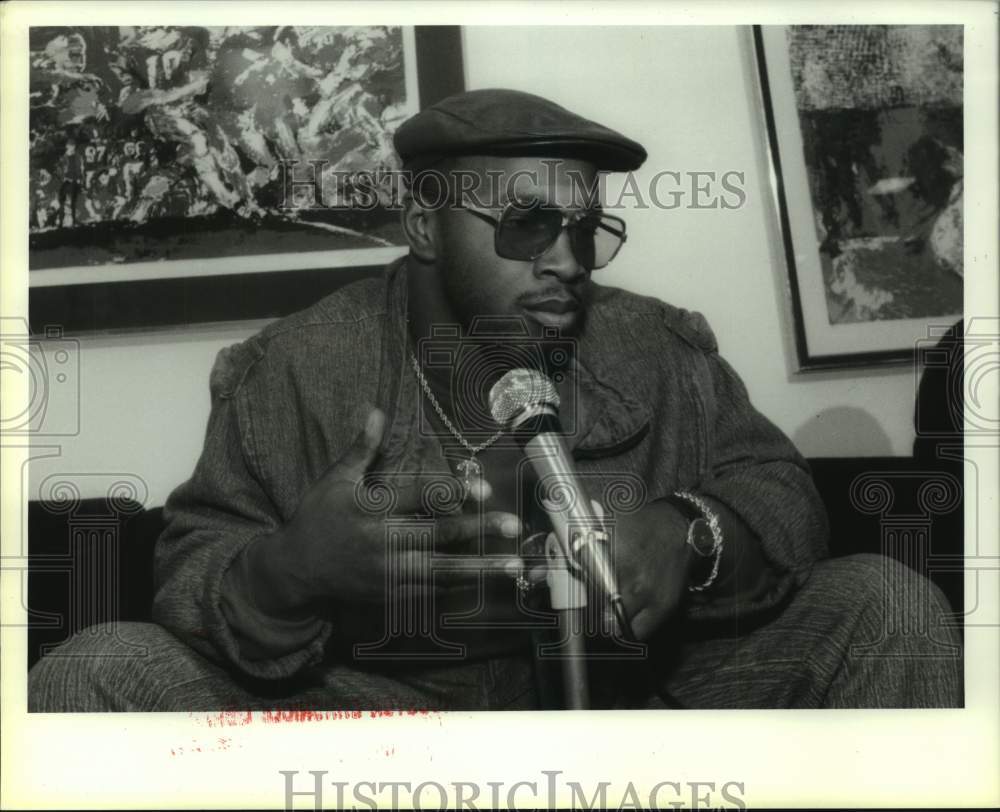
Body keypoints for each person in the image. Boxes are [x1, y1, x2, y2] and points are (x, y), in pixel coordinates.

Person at [29, 89, 962, 711]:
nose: (565, 258)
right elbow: (192, 564)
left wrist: (694, 533)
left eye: (586, 229)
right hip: (382, 720)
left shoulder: (659, 344)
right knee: (95, 674)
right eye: (526, 224)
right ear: (425, 225)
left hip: (643, 705)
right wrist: (288, 571)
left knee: (887, 606)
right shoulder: (294, 367)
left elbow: (779, 488)